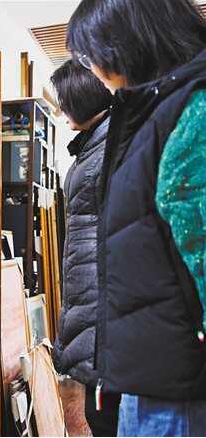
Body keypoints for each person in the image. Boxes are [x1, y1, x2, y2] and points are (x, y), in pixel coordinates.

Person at [67, 0, 206, 435]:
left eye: (90, 55)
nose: (93, 69)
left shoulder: (192, 109)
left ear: (125, 43)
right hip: (148, 372)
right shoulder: (147, 112)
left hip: (179, 383)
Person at [50, 59, 119, 436]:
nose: (61, 111)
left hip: (101, 297)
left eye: (64, 102)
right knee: (100, 413)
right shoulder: (94, 146)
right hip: (91, 291)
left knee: (104, 415)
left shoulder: (108, 146)